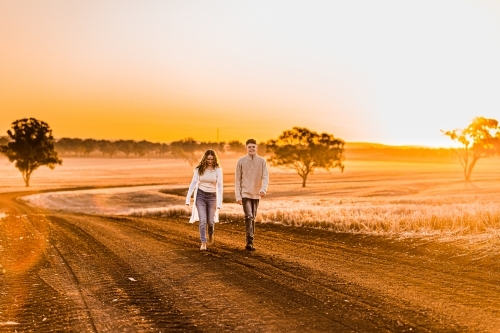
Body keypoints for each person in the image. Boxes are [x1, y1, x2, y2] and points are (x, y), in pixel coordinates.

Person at [235, 139, 269, 251]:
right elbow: (237, 180)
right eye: (249, 147)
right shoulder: (241, 161)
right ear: (246, 148)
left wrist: (263, 189)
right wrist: (238, 196)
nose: (251, 149)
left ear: (256, 148)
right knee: (248, 216)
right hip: (245, 193)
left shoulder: (262, 161)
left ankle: (251, 241)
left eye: (253, 146)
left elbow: (265, 176)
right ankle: (249, 242)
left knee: (252, 217)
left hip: (256, 194)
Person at [186, 150, 223, 251]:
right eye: (208, 159)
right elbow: (193, 183)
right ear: (205, 159)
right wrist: (188, 198)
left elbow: (220, 186)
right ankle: (203, 242)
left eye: (212, 159)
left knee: (210, 221)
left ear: (214, 159)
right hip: (200, 196)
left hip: (212, 197)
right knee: (202, 220)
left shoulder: (218, 170)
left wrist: (219, 202)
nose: (210, 161)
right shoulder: (199, 169)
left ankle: (210, 234)